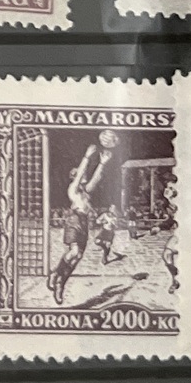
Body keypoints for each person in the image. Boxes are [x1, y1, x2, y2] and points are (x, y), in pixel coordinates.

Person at [48, 128, 117, 305]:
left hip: (84, 223)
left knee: (77, 258)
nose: (83, 175)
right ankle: (55, 275)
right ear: (73, 177)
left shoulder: (86, 192)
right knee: (74, 252)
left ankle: (60, 283)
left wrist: (103, 163)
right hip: (74, 220)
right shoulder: (73, 190)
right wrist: (86, 157)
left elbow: (97, 178)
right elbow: (80, 174)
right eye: (79, 174)